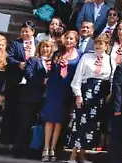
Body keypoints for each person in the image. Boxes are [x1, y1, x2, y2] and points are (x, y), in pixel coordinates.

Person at [67, 33, 115, 162]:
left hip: (99, 96)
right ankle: (73, 154)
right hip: (86, 91)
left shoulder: (109, 59)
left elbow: (112, 78)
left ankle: (83, 154)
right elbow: (77, 77)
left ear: (106, 46)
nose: (98, 46)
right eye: (96, 43)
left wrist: (109, 94)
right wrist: (78, 95)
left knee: (92, 126)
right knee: (80, 123)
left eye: (101, 44)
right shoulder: (86, 57)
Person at [41, 31, 80, 160]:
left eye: (71, 39)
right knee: (49, 119)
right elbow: (51, 70)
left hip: (67, 91)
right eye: (67, 38)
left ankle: (53, 149)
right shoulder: (57, 53)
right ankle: (45, 149)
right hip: (54, 89)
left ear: (76, 41)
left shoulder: (80, 55)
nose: (69, 41)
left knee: (58, 121)